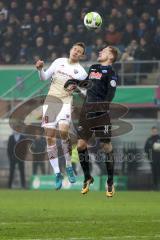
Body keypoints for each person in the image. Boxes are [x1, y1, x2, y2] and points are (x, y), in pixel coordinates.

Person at [64, 46, 118, 197]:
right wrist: (73, 82)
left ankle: (110, 181)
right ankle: (88, 177)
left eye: (104, 51)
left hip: (101, 113)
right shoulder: (94, 67)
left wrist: (102, 107)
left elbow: (111, 94)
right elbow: (86, 83)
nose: (100, 51)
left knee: (105, 146)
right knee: (81, 145)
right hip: (86, 111)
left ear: (111, 56)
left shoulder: (112, 73)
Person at [35, 42, 87, 190]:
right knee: (49, 137)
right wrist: (40, 69)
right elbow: (44, 77)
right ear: (71, 50)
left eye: (79, 52)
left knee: (64, 132)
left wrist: (77, 88)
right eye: (75, 49)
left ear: (82, 56)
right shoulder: (59, 62)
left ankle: (69, 166)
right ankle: (57, 173)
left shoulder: (81, 72)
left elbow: (85, 92)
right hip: (51, 101)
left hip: (65, 102)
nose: (76, 52)